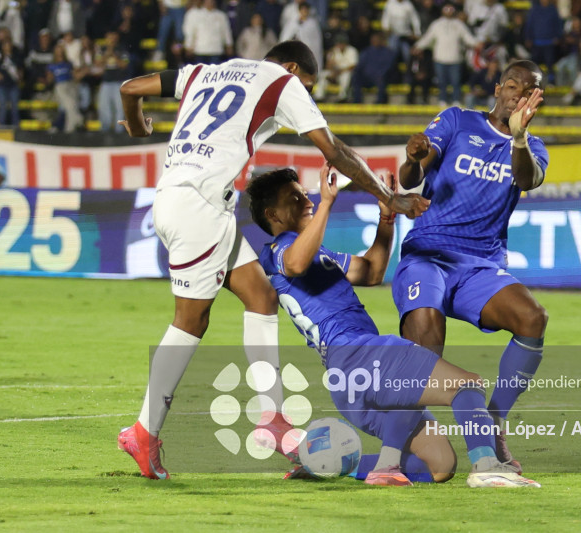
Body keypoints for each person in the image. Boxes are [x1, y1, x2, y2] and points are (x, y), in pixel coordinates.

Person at [116, 40, 429, 480]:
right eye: (308, 85)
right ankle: (144, 432)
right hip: (197, 205)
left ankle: (273, 417)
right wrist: (388, 197)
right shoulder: (281, 82)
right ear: (293, 68)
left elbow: (131, 88)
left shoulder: (205, 72)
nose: (306, 95)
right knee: (190, 320)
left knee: (261, 294)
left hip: (192, 201)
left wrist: (136, 127)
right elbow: (333, 150)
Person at [247, 164, 540, 488]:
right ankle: (488, 467)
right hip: (360, 353)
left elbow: (371, 271)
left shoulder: (316, 253)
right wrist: (328, 203)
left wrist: (386, 219)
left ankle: (326, 462)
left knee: (440, 465)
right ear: (273, 214)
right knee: (466, 385)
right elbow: (296, 262)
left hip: (347, 380)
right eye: (295, 197)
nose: (307, 200)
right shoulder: (276, 251)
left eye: (305, 193)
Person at [393, 60, 548, 474]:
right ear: (497, 88)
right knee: (426, 335)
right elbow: (411, 177)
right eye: (511, 85)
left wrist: (519, 137)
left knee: (532, 318)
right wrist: (413, 158)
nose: (516, 93)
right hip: (428, 255)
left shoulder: (534, 148)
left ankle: (494, 424)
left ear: (535, 100)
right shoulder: (458, 121)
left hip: (480, 265)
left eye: (526, 90)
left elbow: (527, 179)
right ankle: (408, 434)